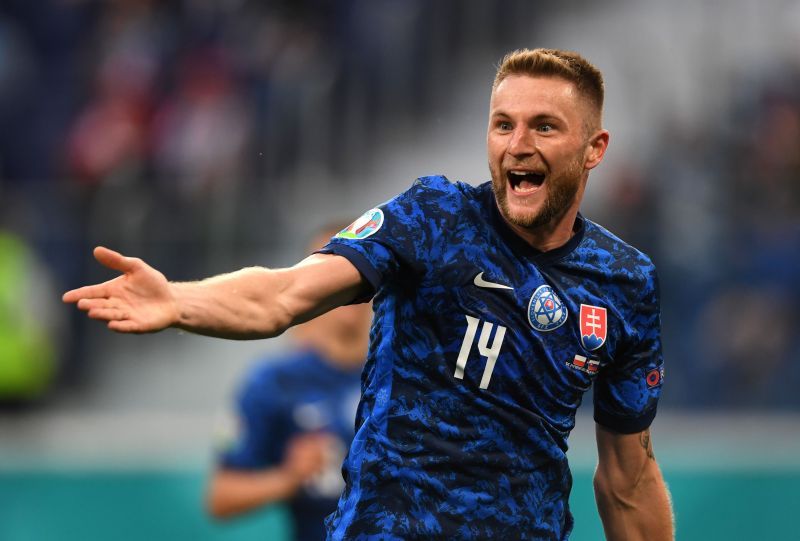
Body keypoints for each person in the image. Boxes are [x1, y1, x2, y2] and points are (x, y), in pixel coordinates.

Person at [64, 48, 674, 540]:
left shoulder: (622, 282)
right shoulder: (433, 216)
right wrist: (178, 300)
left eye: (545, 126)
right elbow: (284, 294)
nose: (518, 143)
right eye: (503, 124)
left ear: (595, 149)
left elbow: (628, 479)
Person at [205, 225, 371, 541]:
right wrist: (288, 478)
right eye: (331, 268)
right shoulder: (276, 380)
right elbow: (222, 496)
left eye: (357, 268)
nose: (345, 284)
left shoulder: (405, 369)